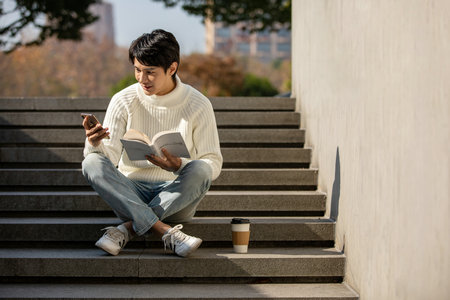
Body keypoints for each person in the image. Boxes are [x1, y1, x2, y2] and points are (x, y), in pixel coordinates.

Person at [81, 29, 223, 257]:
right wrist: (95, 144)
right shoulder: (123, 100)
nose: (141, 79)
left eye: (150, 72)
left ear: (172, 68)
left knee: (201, 168)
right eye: (137, 70)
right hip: (130, 193)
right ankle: (165, 231)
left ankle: (127, 228)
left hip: (176, 195)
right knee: (91, 163)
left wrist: (179, 166)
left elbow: (213, 162)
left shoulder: (198, 104)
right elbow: (106, 159)